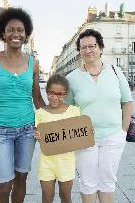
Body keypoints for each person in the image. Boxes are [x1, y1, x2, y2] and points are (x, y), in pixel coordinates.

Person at [0, 7, 45, 203]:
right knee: (3, 185)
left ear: (26, 35)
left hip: (27, 130)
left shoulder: (33, 63)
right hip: (0, 131)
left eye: (20, 30)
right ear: (3, 34)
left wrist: (57, 118)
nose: (16, 33)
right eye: (11, 29)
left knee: (21, 179)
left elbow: (38, 100)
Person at [65, 29, 133, 203]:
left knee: (107, 182)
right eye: (83, 47)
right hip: (84, 137)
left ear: (100, 48)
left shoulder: (116, 72)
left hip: (113, 136)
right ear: (79, 51)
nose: (88, 50)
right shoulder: (72, 78)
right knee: (87, 182)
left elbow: (127, 102)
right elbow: (67, 109)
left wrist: (123, 131)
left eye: (92, 46)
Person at [34, 74, 80, 203]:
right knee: (47, 197)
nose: (55, 97)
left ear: (65, 94)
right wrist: (38, 136)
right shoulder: (40, 113)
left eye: (60, 94)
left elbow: (78, 136)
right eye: (51, 93)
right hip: (46, 162)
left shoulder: (74, 111)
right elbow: (41, 137)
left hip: (66, 162)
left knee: (65, 196)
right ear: (46, 91)